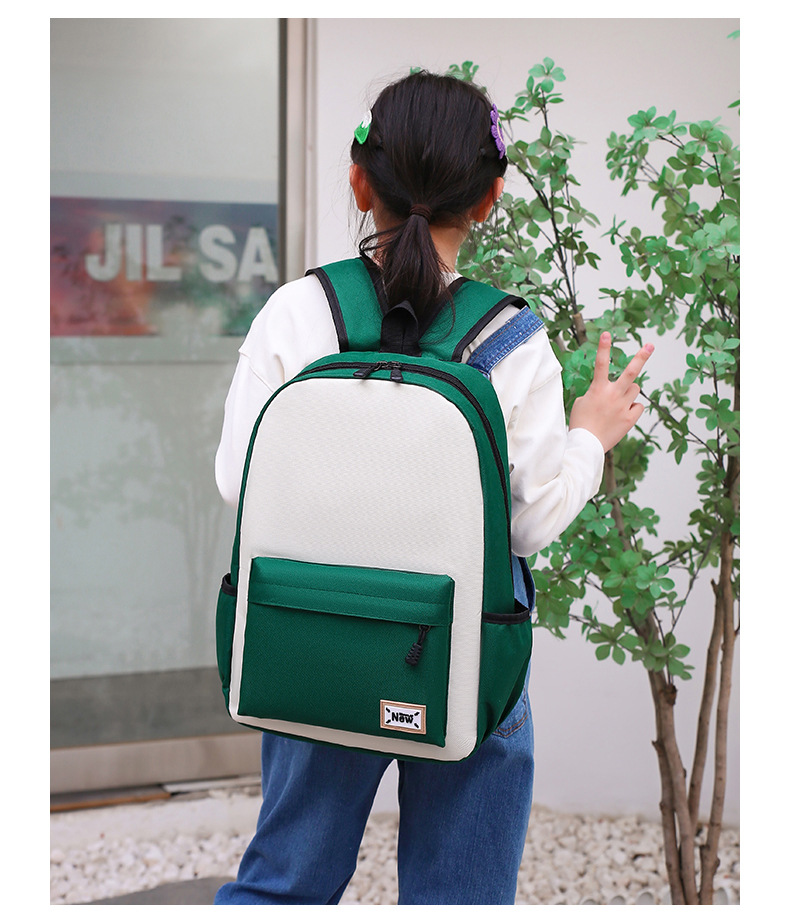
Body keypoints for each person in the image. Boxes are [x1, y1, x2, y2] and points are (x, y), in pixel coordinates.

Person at [213, 70, 653, 906]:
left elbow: (241, 481)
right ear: (488, 200)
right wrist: (590, 439)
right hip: (464, 656)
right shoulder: (512, 339)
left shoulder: (296, 313)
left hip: (313, 639)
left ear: (359, 181)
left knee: (283, 886)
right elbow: (528, 524)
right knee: (461, 898)